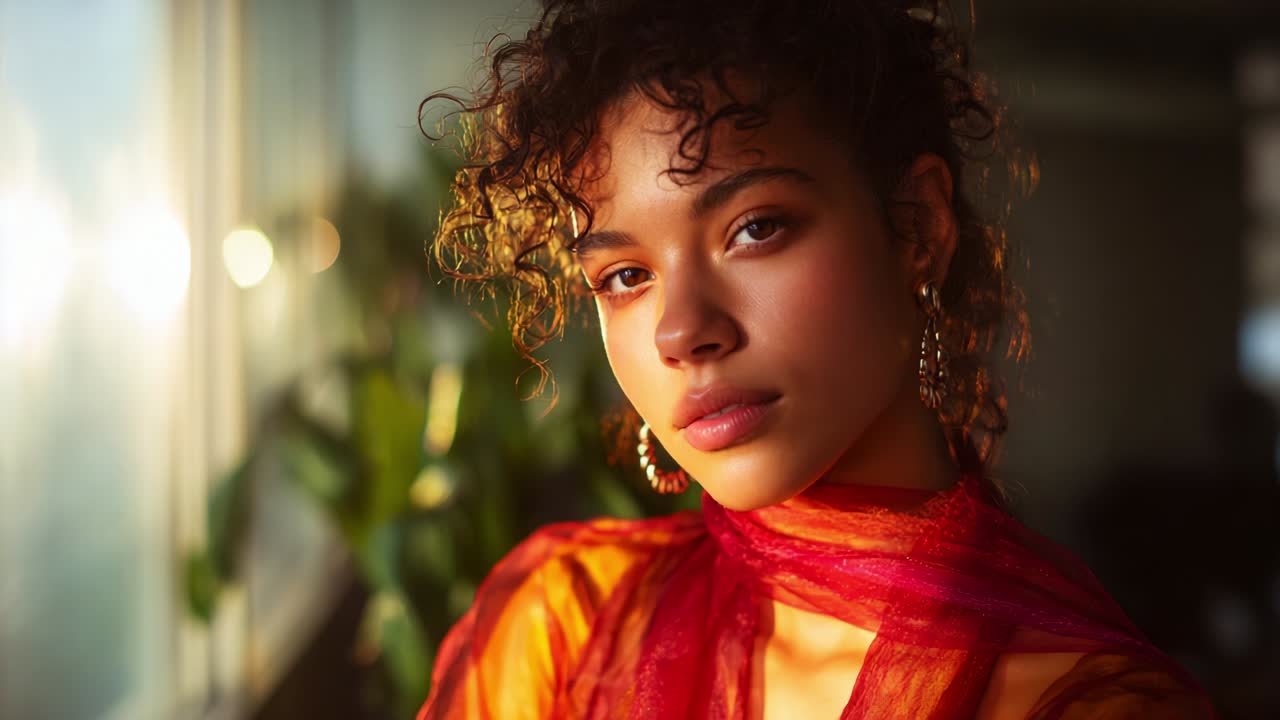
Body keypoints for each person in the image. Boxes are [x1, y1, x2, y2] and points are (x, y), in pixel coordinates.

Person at [415, 0, 1219, 717]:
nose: (680, 333)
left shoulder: (1086, 705)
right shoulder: (564, 638)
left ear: (917, 227)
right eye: (625, 277)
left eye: (755, 228)